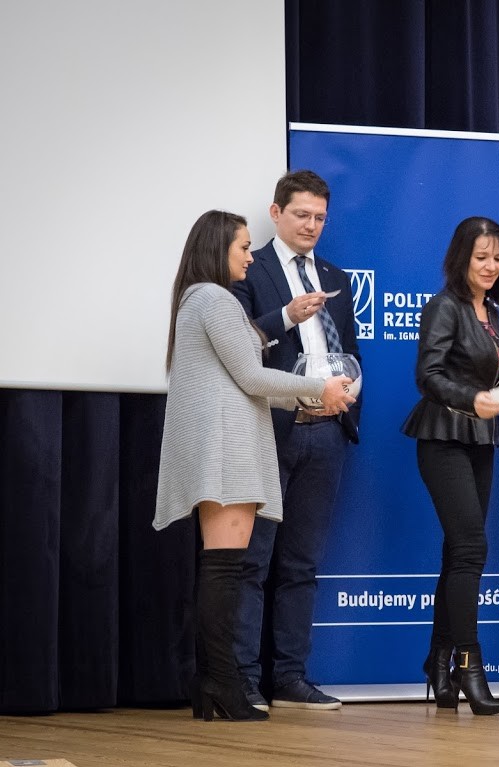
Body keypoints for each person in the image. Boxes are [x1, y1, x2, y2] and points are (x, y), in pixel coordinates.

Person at [153, 210, 354, 721]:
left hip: (223, 448)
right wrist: (318, 389)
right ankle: (223, 684)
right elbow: (251, 376)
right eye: (242, 247)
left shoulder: (199, 298)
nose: (249, 255)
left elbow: (241, 374)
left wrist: (306, 394)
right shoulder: (215, 298)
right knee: (226, 571)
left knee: (223, 569)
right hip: (229, 451)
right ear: (218, 247)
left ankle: (213, 685)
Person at [232, 170, 362, 712]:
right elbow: (239, 344)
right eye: (302, 215)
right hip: (270, 432)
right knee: (252, 562)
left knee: (302, 565)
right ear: (276, 213)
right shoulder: (250, 269)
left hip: (326, 434)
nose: (311, 225)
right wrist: (287, 315)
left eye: (320, 217)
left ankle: (290, 676)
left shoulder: (335, 276)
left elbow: (348, 350)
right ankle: (243, 679)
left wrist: (350, 395)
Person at [401, 217, 499, 716]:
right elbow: (428, 375)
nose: (491, 266)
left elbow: (481, 374)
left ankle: (438, 663)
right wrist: (476, 398)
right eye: (481, 257)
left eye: (498, 258)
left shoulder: (491, 311)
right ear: (461, 258)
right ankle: (469, 666)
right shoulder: (444, 306)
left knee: (459, 552)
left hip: (480, 437)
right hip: (443, 436)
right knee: (472, 548)